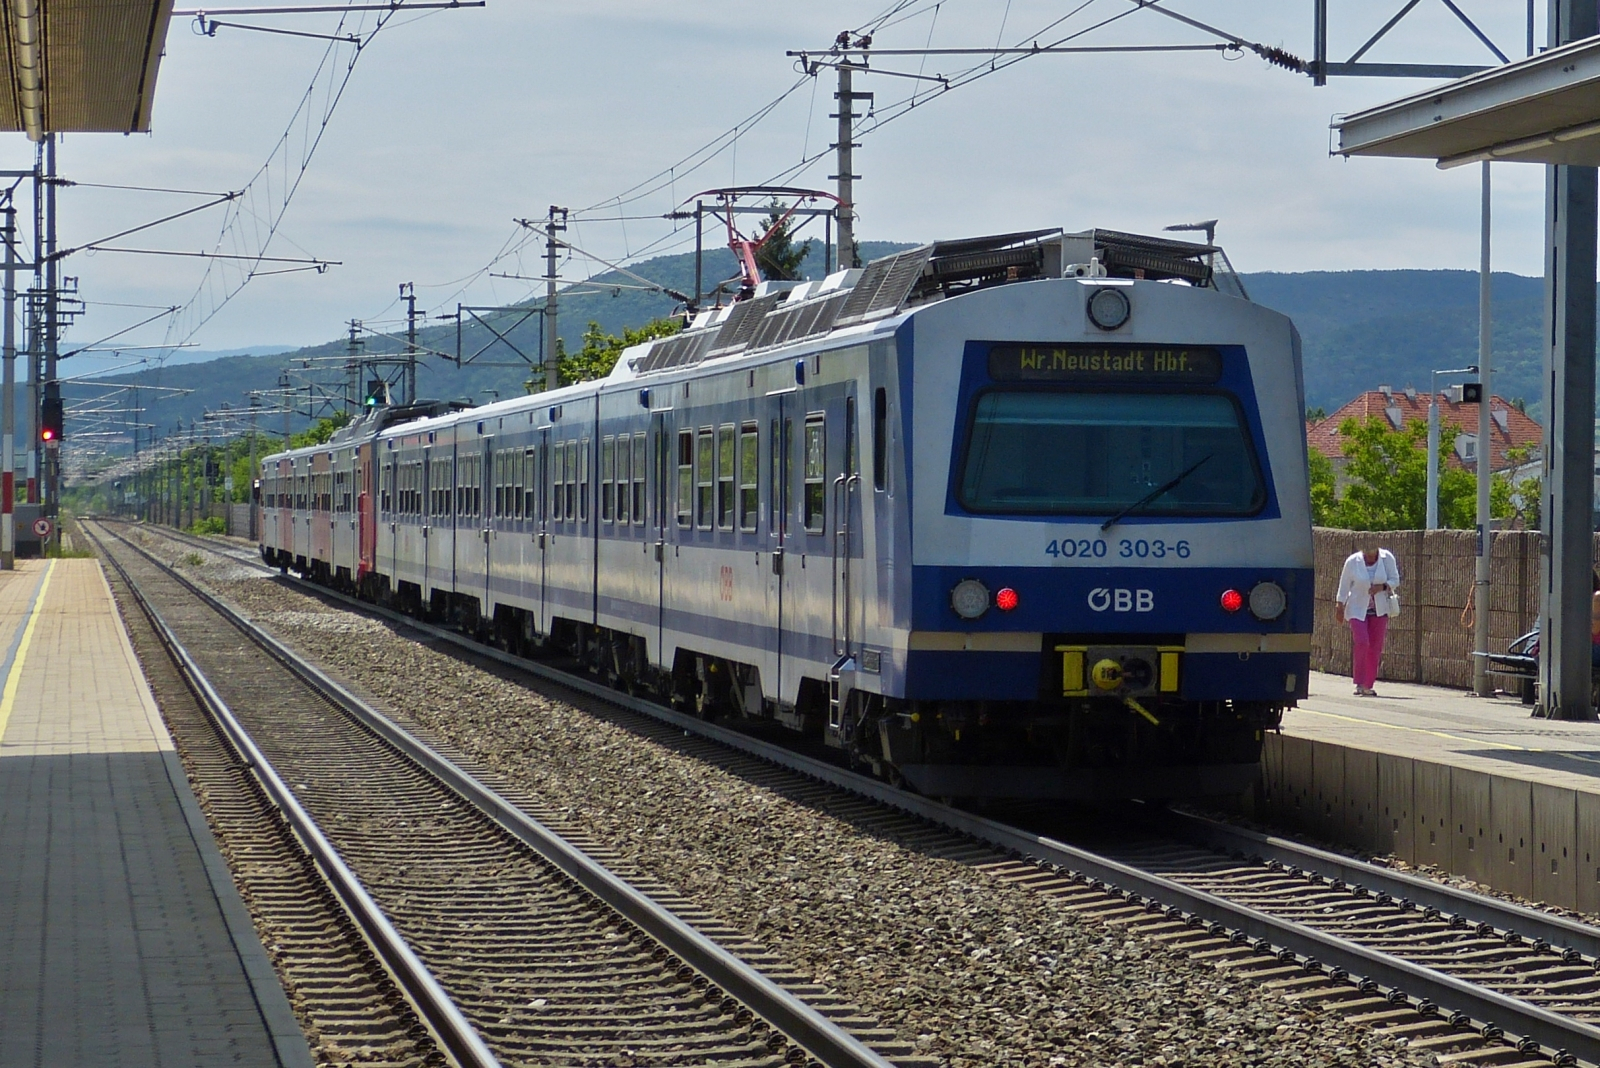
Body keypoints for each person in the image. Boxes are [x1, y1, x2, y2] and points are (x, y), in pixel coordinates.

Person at [1336, 543, 1401, 696]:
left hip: (1379, 609)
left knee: (1375, 647)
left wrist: (1383, 587)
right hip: (1357, 609)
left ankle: (1368, 684)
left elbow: (1395, 579)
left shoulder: (1387, 558)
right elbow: (1344, 585)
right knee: (1362, 642)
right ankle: (1359, 681)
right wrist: (1339, 605)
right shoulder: (1353, 561)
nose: (1370, 555)